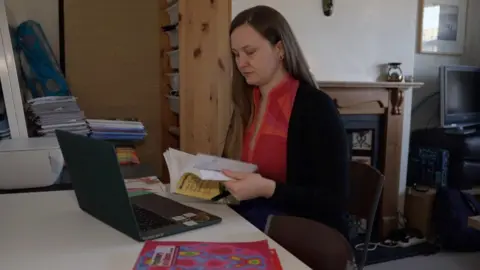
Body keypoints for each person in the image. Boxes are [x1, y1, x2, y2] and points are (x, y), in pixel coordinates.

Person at [222, 5, 350, 239]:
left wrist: (268, 189)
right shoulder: (247, 103)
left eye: (250, 52)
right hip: (254, 216)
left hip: (306, 228)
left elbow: (333, 201)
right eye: (236, 54)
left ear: (279, 49)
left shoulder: (315, 107)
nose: (241, 63)